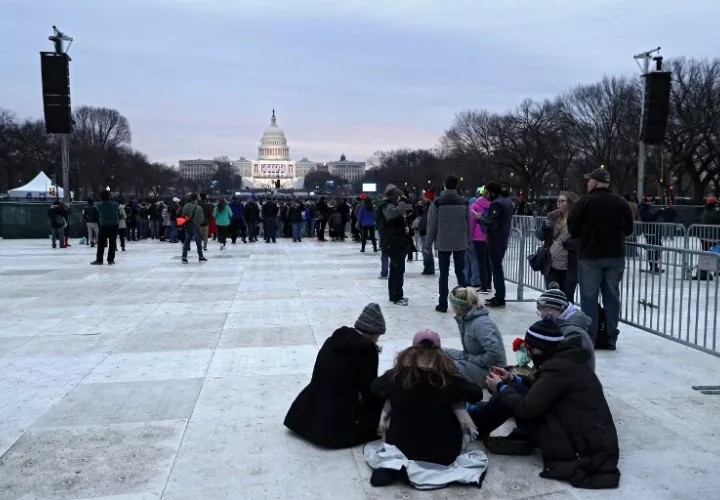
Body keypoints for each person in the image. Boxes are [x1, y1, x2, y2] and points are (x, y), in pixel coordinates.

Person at [484, 319, 621, 490]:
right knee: (510, 390)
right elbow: (541, 390)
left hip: (580, 447)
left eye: (531, 349)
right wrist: (511, 379)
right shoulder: (566, 361)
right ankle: (479, 425)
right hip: (587, 438)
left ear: (543, 348)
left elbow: (526, 408)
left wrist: (500, 386)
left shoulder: (558, 369)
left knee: (507, 396)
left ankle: (474, 428)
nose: (530, 353)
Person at [368, 330, 484, 486]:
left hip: (402, 448)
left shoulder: (397, 375)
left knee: (391, 397)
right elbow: (476, 394)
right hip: (444, 453)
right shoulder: (449, 378)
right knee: (458, 402)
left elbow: (374, 388)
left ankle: (391, 469)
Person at [284, 303, 386, 448]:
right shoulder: (367, 349)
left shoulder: (336, 338)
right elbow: (369, 388)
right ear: (374, 332)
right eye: (378, 336)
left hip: (305, 410)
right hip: (333, 421)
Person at [568, 168, 634, 350]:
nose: (588, 183)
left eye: (589, 181)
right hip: (615, 256)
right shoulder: (621, 203)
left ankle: (591, 336)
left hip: (590, 256)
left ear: (594, 183)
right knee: (612, 297)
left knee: (589, 297)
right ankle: (611, 336)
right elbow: (629, 229)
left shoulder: (584, 202)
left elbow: (572, 229)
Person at [424, 174, 471, 313]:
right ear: (456, 185)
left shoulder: (437, 202)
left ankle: (442, 303)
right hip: (460, 241)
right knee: (460, 273)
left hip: (443, 241)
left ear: (444, 185)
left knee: (443, 274)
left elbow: (432, 225)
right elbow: (469, 222)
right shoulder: (464, 202)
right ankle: (465, 302)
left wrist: (428, 244)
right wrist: (468, 239)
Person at [444, 286, 506, 387]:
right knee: (440, 353)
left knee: (444, 367)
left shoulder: (481, 323)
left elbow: (494, 353)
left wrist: (470, 358)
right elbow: (468, 355)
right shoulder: (467, 318)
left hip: (491, 373)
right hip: (478, 363)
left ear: (458, 307)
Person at [536, 283, 595, 371]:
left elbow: (566, 363)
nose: (543, 315)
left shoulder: (574, 332)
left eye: (547, 310)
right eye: (541, 311)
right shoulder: (560, 324)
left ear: (560, 308)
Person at [535, 191, 581, 301]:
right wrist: (543, 228)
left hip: (569, 266)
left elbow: (584, 240)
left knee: (567, 298)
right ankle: (554, 318)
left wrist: (569, 244)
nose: (559, 203)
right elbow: (540, 236)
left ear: (569, 203)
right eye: (558, 201)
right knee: (552, 297)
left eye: (562, 201)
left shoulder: (578, 219)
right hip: (551, 264)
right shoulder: (552, 216)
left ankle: (566, 318)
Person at [478, 182, 513, 308]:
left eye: (486, 192)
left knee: (497, 269)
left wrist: (480, 218)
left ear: (492, 191)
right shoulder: (507, 201)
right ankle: (499, 295)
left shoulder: (496, 203)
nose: (485, 195)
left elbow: (493, 223)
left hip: (495, 239)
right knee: (497, 268)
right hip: (503, 238)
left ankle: (499, 297)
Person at [378, 185, 410, 306]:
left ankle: (394, 294)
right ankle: (397, 296)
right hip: (393, 243)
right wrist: (402, 201)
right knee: (398, 270)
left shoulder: (390, 206)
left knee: (395, 269)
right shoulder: (387, 207)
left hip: (397, 242)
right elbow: (396, 213)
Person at [470, 188, 492, 294]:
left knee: (481, 262)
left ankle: (483, 286)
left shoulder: (474, 205)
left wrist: (469, 236)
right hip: (488, 235)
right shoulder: (491, 204)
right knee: (488, 261)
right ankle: (488, 284)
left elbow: (472, 222)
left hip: (478, 236)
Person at [91, 190, 120, 265]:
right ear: (110, 196)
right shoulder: (115, 204)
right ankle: (110, 260)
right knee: (112, 243)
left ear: (101, 197)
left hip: (104, 226)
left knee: (101, 243)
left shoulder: (99, 206)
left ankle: (99, 259)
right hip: (114, 225)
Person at [638, 194, 665, 273]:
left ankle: (654, 266)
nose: (650, 202)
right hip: (650, 232)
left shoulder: (649, 208)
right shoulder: (643, 208)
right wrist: (659, 211)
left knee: (657, 249)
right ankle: (653, 266)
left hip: (655, 231)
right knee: (652, 249)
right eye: (649, 200)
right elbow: (649, 219)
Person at [180, 192, 207, 264]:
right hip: (196, 226)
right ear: (197, 198)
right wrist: (197, 223)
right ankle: (200, 256)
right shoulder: (199, 208)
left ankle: (184, 257)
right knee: (198, 242)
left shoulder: (185, 206)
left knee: (187, 241)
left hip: (188, 225)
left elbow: (183, 216)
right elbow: (201, 219)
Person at [417, 190, 435, 275]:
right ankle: (429, 267)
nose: (423, 198)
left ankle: (428, 267)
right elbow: (419, 215)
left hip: (426, 232)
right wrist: (419, 206)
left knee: (426, 251)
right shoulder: (426, 207)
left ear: (429, 198)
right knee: (427, 251)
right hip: (424, 231)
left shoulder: (431, 207)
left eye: (425, 197)